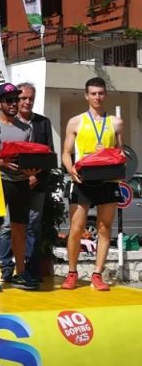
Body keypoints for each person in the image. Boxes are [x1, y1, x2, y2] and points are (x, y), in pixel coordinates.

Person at [0, 83, 42, 292]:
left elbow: (31, 155)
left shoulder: (27, 128)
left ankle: (20, 274)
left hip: (20, 182)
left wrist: (32, 172)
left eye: (16, 99)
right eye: (9, 100)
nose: (14, 104)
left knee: (20, 228)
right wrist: (0, 162)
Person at [61, 77, 123, 291]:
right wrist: (71, 169)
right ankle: (72, 273)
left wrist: (117, 158)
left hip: (107, 180)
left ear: (106, 94)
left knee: (104, 228)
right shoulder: (75, 122)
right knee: (76, 228)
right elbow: (66, 153)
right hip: (83, 180)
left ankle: (97, 275)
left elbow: (120, 152)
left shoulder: (115, 122)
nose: (97, 97)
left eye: (101, 93)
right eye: (93, 93)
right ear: (86, 95)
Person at [0, 82, 54, 282]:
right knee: (6, 226)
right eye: (22, 98)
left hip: (37, 182)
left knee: (33, 226)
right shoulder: (6, 123)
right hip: (11, 182)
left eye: (31, 98)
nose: (26, 102)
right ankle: (6, 267)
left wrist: (35, 176)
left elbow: (48, 152)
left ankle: (29, 270)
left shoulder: (43, 122)